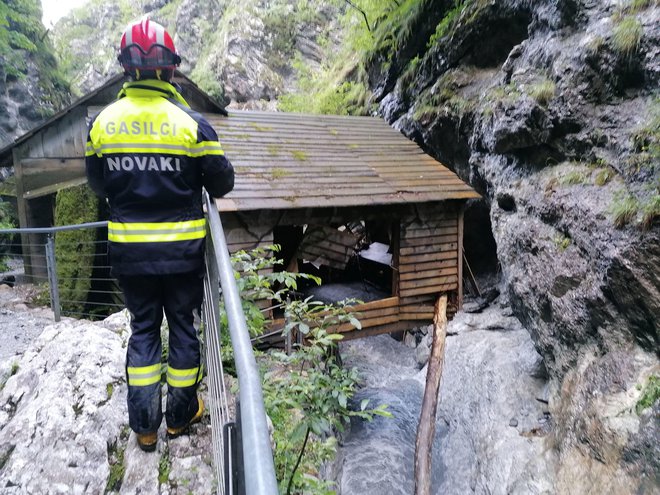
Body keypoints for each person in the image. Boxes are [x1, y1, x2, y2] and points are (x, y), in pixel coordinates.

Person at [85, 18, 234, 452]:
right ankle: (180, 416)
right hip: (183, 254)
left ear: (126, 70)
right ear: (170, 70)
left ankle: (145, 427)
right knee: (183, 330)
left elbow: (98, 185)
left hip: (131, 255)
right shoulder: (192, 125)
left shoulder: (101, 125)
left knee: (145, 330)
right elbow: (222, 183)